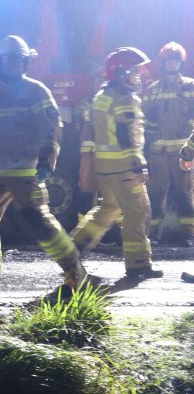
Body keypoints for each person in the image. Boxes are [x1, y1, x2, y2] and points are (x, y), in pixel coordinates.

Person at [0, 35, 89, 294]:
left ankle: (75, 271)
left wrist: (46, 160)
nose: (14, 63)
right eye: (9, 58)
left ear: (26, 62)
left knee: (39, 223)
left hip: (24, 170)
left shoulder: (37, 91)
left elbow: (52, 128)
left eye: (19, 59)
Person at [70, 47, 162, 279]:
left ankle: (71, 249)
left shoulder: (102, 95)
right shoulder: (124, 97)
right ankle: (138, 263)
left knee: (108, 208)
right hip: (124, 167)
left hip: (105, 167)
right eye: (135, 70)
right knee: (137, 210)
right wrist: (138, 163)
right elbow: (125, 133)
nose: (139, 74)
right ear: (121, 72)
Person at [143, 42, 194, 246]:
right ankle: (153, 234)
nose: (172, 64)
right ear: (162, 63)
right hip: (158, 152)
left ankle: (188, 234)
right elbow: (143, 120)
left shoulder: (191, 86)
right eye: (168, 60)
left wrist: (189, 128)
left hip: (184, 152)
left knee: (185, 193)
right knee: (155, 194)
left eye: (175, 60)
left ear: (181, 63)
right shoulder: (152, 90)